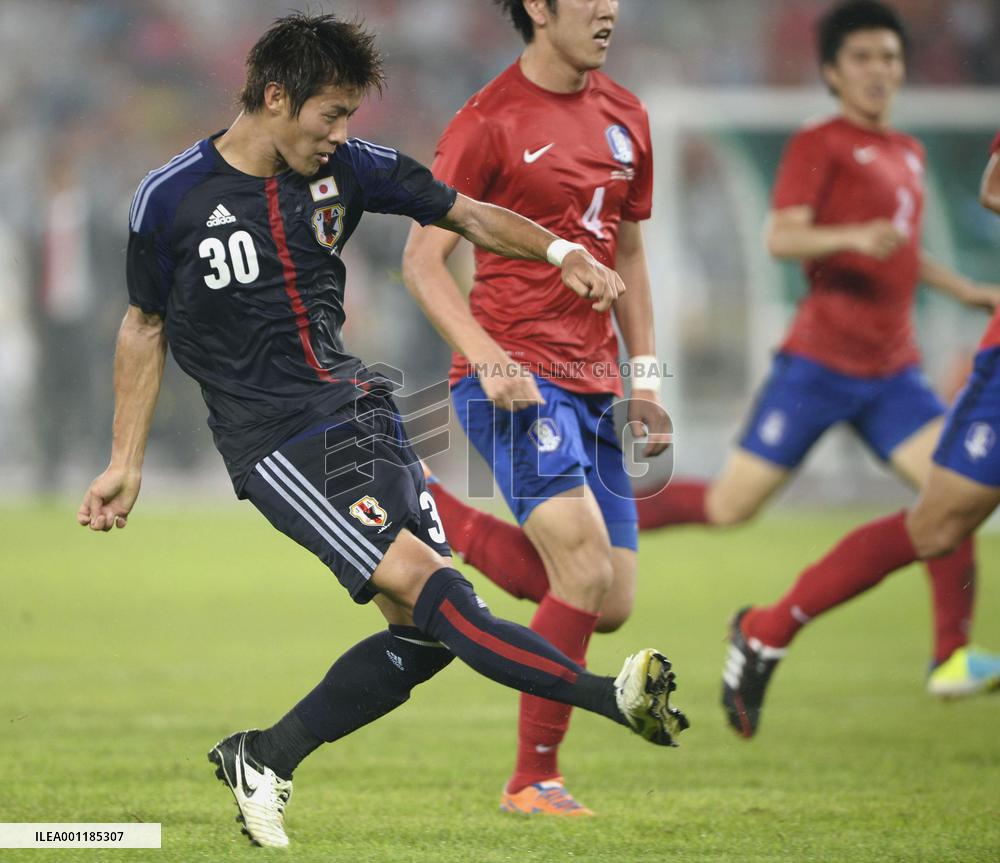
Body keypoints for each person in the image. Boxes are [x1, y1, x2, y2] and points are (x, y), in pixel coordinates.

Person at [75, 13, 687, 849]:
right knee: (443, 596)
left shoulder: (350, 168)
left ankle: (266, 756)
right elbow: (143, 326)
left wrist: (560, 254)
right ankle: (607, 696)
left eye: (349, 117)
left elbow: (469, 215)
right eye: (331, 114)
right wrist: (125, 460)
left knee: (427, 636)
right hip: (277, 441)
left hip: (361, 413)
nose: (340, 134)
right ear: (275, 97)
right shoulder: (171, 196)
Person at [402, 0, 669, 816]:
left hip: (597, 382)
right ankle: (531, 777)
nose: (608, 8)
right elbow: (422, 261)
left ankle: (435, 511)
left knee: (610, 599)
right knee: (582, 568)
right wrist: (486, 354)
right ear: (538, 9)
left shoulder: (628, 116)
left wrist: (647, 380)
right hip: (514, 378)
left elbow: (627, 251)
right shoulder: (486, 122)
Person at [722, 131, 1000, 737]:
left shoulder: (909, 152)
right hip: (819, 364)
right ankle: (763, 626)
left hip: (891, 371)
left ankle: (949, 654)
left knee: (941, 515)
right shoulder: (819, 144)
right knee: (731, 504)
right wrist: (849, 237)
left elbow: (903, 252)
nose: (881, 80)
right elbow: (782, 239)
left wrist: (961, 288)